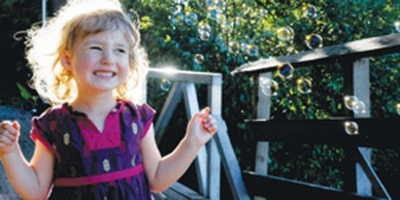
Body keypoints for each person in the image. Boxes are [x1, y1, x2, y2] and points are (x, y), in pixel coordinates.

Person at [0, 0, 218, 199]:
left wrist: (193, 142)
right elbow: (35, 191)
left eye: (120, 50)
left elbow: (158, 179)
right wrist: (9, 152)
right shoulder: (54, 125)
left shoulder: (136, 118)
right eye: (96, 48)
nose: (108, 59)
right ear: (67, 59)